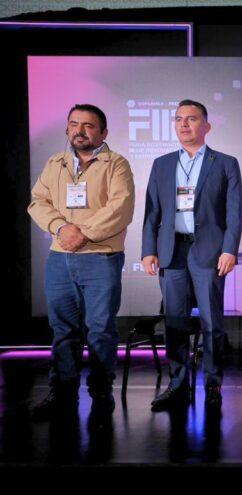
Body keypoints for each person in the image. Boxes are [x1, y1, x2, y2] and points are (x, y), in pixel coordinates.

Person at [28, 104, 135, 420]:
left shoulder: (116, 164)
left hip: (100, 258)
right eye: (74, 124)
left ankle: (101, 395)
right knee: (62, 330)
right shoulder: (55, 163)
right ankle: (62, 393)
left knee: (100, 330)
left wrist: (83, 234)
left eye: (88, 125)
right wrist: (61, 228)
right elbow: (38, 202)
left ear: (103, 132)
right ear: (67, 129)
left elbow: (120, 208)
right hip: (60, 259)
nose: (79, 130)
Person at [142, 99, 242, 411]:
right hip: (171, 252)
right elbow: (152, 211)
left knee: (212, 322)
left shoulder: (225, 163)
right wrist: (148, 250)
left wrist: (229, 249)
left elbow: (234, 213)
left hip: (208, 252)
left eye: (192, 119)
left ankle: (213, 384)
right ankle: (178, 385)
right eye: (179, 119)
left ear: (206, 126)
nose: (184, 124)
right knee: (175, 322)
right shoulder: (161, 164)